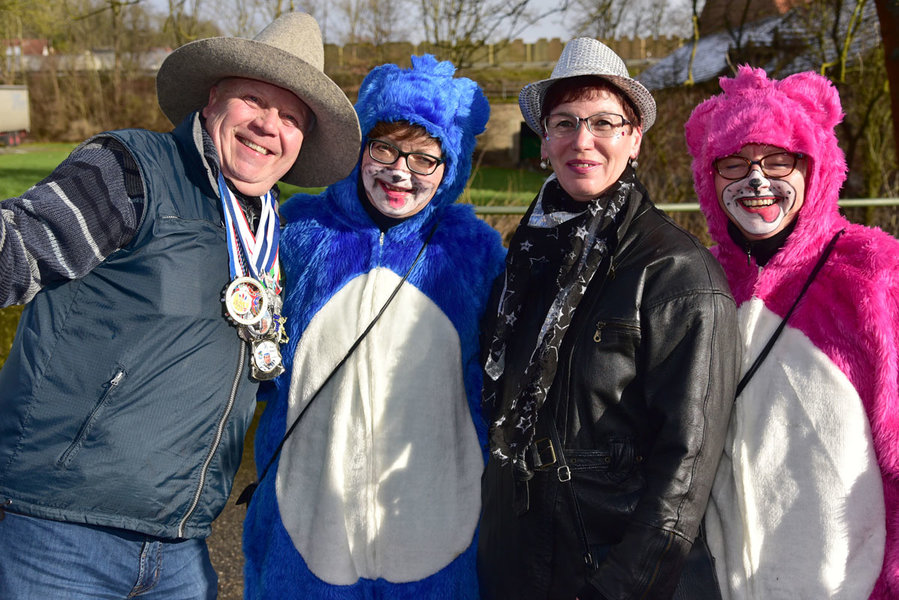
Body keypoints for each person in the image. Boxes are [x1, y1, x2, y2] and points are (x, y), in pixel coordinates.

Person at [0, 12, 360, 599]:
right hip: (60, 536)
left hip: (182, 549)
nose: (269, 126)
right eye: (254, 100)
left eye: (291, 117)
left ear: (301, 142)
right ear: (213, 98)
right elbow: (16, 250)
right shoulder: (132, 168)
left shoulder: (270, 229)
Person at [477, 37, 741, 600]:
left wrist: (620, 588)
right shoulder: (526, 259)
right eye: (564, 123)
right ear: (544, 140)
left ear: (634, 138)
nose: (582, 141)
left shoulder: (676, 273)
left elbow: (686, 467)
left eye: (604, 122)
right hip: (518, 562)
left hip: (609, 572)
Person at [241, 55, 506, 599]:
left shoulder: (474, 253)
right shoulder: (302, 232)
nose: (401, 172)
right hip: (310, 510)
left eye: (425, 158)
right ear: (360, 147)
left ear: (450, 167)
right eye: (384, 149)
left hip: (435, 513)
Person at [685, 66, 897, 599]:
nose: (756, 181)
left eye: (778, 160)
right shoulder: (696, 281)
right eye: (734, 164)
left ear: (815, 166)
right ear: (709, 178)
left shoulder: (872, 274)